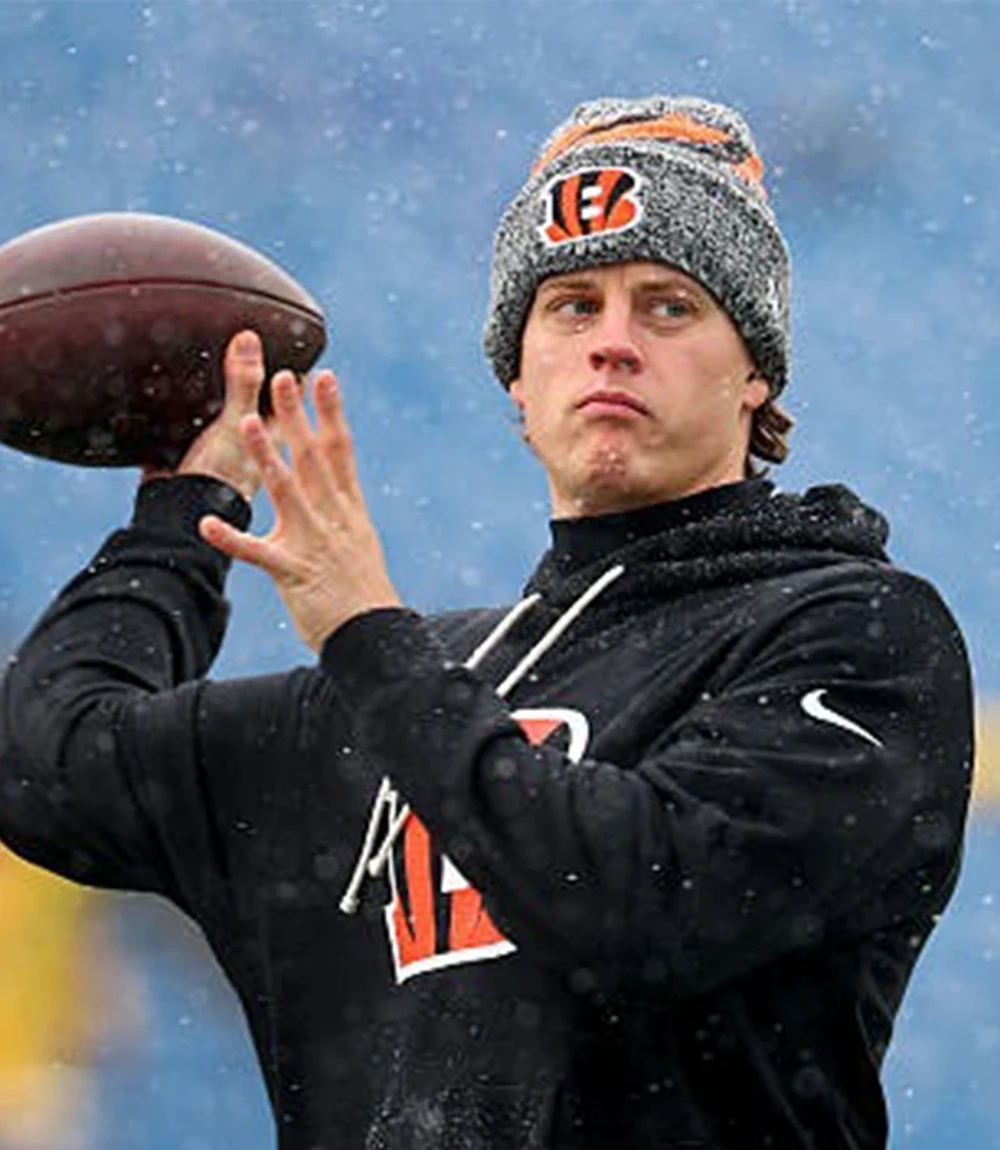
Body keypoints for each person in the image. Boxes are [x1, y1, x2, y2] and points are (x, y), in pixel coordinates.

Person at [0, 95, 974, 1150]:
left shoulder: (858, 633)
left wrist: (367, 637)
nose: (611, 344)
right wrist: (182, 512)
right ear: (517, 374)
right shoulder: (395, 688)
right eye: (571, 306)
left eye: (667, 306)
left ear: (756, 374)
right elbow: (50, 764)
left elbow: (635, 907)